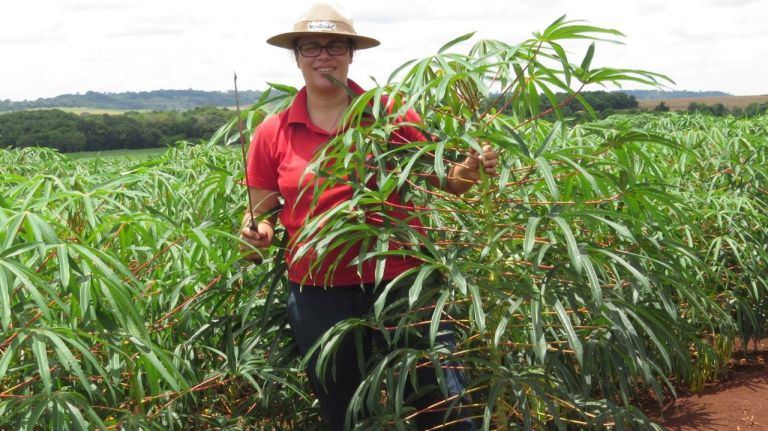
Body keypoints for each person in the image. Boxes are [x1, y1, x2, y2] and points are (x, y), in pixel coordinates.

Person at [240, 4, 497, 430]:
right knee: (344, 410)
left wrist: (472, 167)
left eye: (336, 45)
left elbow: (449, 182)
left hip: (403, 282)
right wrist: (258, 232)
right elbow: (260, 210)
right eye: (311, 47)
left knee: (440, 405)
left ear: (351, 53)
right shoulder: (275, 130)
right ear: (297, 56)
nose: (324, 56)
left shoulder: (391, 114)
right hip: (318, 290)